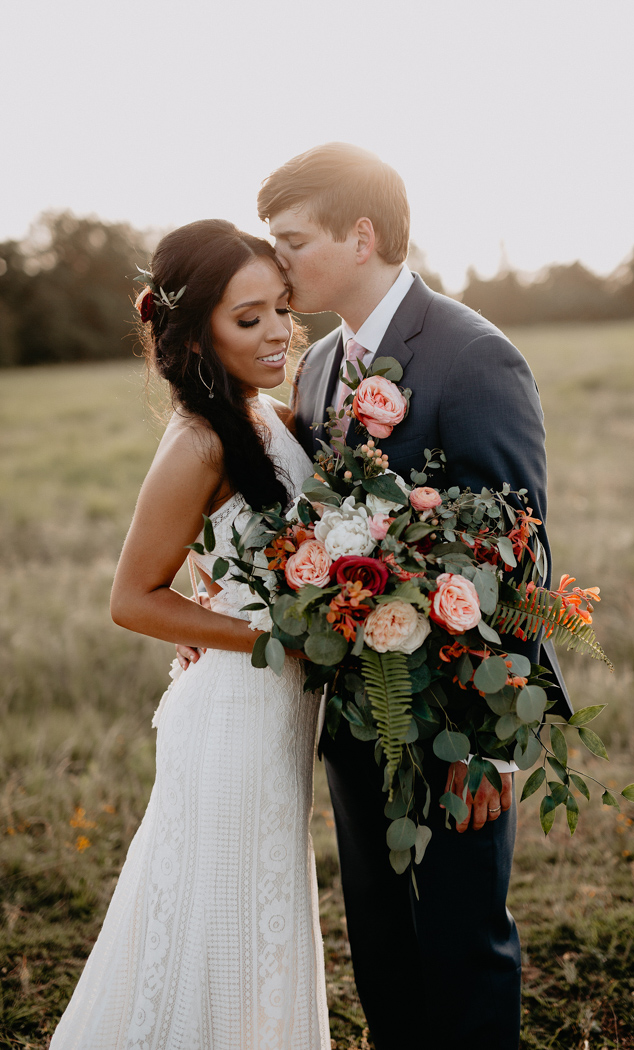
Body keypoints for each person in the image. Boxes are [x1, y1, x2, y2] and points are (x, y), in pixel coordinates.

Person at [255, 143, 573, 1049]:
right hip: (362, 710)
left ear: (362, 235)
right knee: (381, 943)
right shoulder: (317, 367)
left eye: (291, 241)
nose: (277, 263)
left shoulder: (477, 357)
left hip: (457, 717)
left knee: (463, 944)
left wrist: (492, 742)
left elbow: (516, 556)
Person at [49, 220, 331, 1050]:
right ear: (196, 331)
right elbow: (131, 598)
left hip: (278, 710)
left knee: (262, 906)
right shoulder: (199, 440)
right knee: (226, 917)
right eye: (250, 318)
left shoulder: (269, 415)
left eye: (282, 307)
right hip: (236, 716)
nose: (278, 331)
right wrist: (266, 638)